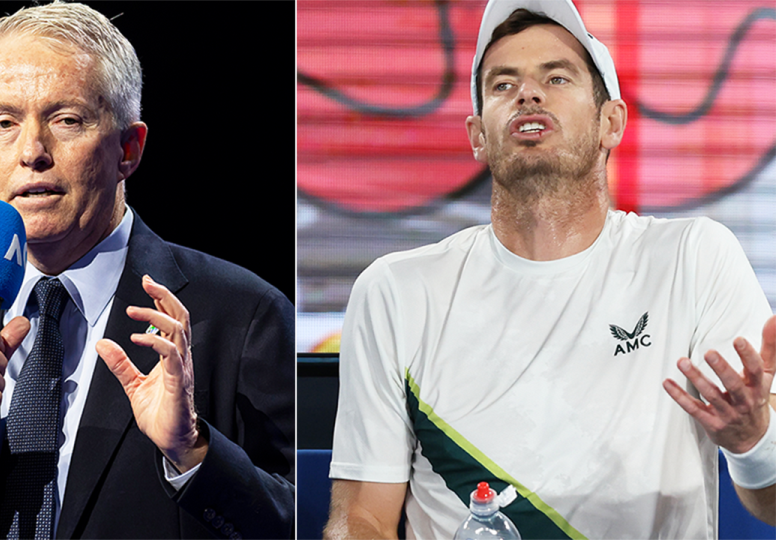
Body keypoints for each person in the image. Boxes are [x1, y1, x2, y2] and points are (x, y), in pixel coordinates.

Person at [0, 2, 294, 538]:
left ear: (128, 150)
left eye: (66, 120)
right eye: (5, 123)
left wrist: (193, 454)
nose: (32, 152)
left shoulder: (242, 316)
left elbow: (304, 521)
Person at [324, 0, 775, 538]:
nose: (527, 94)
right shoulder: (394, 289)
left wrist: (755, 442)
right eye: (502, 85)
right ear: (477, 135)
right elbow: (361, 519)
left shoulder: (694, 257)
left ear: (611, 122)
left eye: (556, 78)